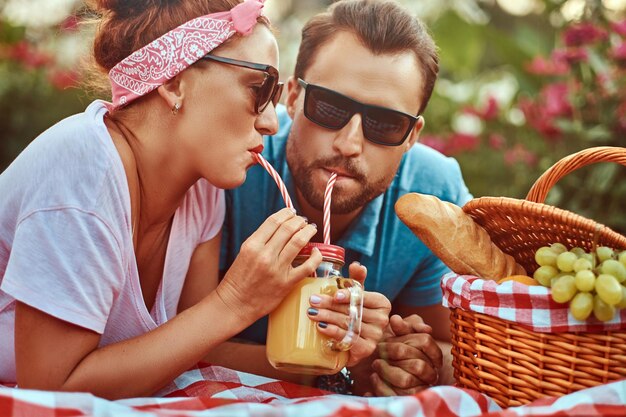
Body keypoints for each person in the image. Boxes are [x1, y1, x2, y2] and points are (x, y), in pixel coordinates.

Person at [0, 0, 391, 399]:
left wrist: (333, 358)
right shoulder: (83, 169)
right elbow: (51, 390)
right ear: (173, 81)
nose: (272, 122)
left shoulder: (202, 190)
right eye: (259, 90)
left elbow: (192, 352)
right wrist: (236, 301)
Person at [216, 0, 473, 396]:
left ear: (412, 137)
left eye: (385, 123)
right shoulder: (231, 167)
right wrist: (336, 366)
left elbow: (456, 348)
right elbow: (172, 338)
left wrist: (413, 361)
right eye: (330, 106)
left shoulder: (432, 199)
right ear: (292, 96)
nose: (350, 144)